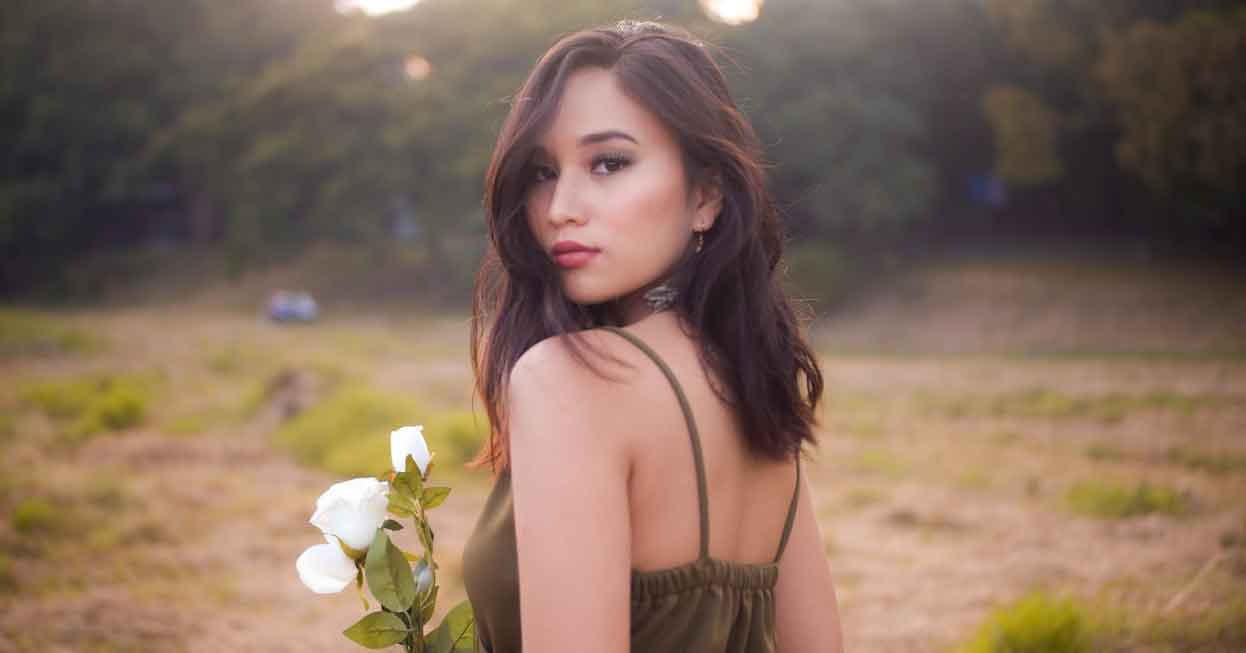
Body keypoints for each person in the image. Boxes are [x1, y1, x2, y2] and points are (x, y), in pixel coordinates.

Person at [460, 20, 844, 653]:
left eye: (609, 163)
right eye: (541, 172)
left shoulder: (569, 381)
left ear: (705, 197)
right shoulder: (753, 391)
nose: (561, 208)